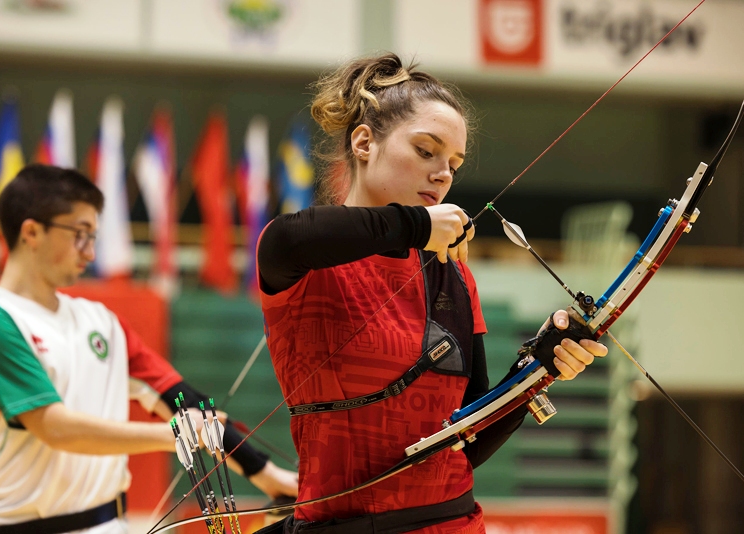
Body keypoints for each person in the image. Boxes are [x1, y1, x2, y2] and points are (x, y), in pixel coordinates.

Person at [256, 53, 608, 533]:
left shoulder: (453, 275)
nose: (443, 174)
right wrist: (418, 225)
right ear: (364, 142)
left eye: (454, 165)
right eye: (426, 151)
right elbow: (288, 238)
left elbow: (468, 441)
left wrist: (536, 369)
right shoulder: (306, 257)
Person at [0, 164, 297, 534]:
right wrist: (173, 435)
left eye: (94, 237)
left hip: (108, 524)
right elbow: (54, 427)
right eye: (80, 235)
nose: (90, 252)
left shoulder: (101, 322)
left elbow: (182, 400)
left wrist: (266, 473)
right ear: (32, 232)